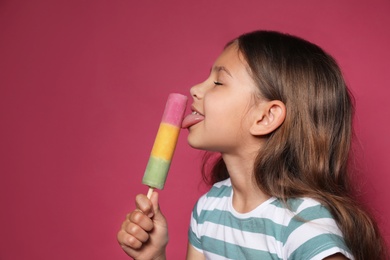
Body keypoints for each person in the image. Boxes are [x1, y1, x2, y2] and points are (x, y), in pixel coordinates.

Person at [117, 30, 388, 259]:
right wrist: (155, 256)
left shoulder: (302, 224)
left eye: (218, 82)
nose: (196, 89)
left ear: (265, 117)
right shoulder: (209, 209)